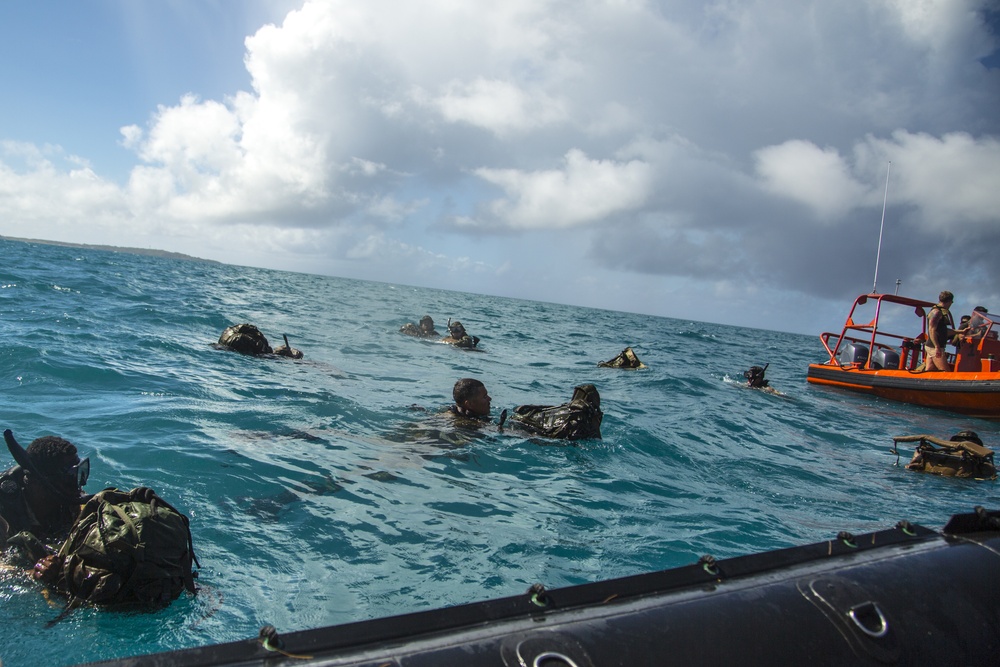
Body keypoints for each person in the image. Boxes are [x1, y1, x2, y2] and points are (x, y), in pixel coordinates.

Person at [0, 433, 89, 550]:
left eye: (81, 472)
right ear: (38, 482)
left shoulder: (70, 498)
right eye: (70, 476)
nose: (79, 484)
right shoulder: (4, 512)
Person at [924, 291, 967, 372]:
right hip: (934, 347)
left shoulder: (941, 312)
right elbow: (931, 330)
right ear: (949, 301)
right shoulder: (936, 312)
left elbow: (943, 331)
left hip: (934, 346)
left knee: (930, 370)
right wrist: (937, 347)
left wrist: (961, 331)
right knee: (945, 372)